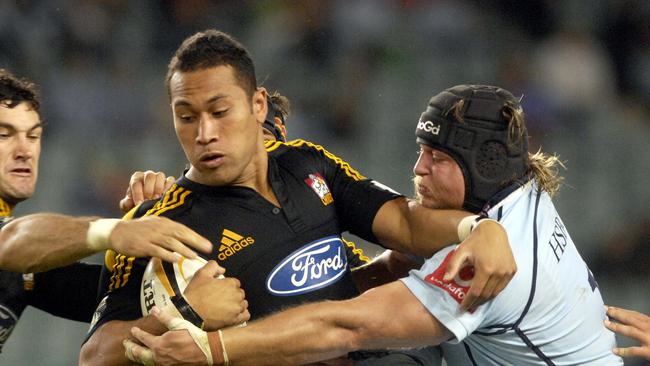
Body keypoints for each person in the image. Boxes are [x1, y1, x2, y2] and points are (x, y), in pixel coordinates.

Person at [79, 30, 516, 366]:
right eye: (186, 117)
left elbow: (403, 223)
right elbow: (95, 355)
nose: (204, 133)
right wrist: (186, 312)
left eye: (219, 111)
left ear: (257, 106)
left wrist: (478, 228)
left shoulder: (308, 163)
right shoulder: (158, 223)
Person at [124, 84, 623, 366]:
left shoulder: (489, 266)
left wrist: (212, 349)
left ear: (487, 164)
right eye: (419, 151)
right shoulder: (517, 196)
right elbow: (386, 274)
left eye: (438, 158)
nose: (418, 169)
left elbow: (346, 325)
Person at [0, 68, 222, 354]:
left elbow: (113, 304)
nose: (24, 150)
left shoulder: (23, 271)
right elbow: (9, 240)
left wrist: (145, 233)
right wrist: (116, 231)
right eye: (4, 134)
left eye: (33, 136)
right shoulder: (14, 248)